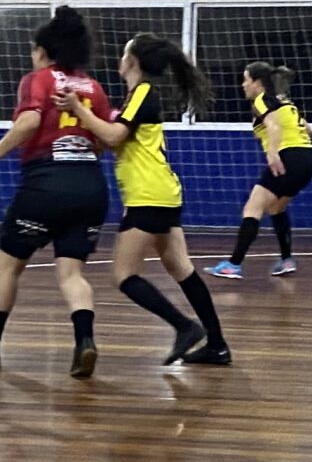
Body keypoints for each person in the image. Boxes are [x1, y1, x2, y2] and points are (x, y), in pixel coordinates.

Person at [0, 6, 112, 378]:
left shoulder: (38, 79)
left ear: (43, 51)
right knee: (72, 273)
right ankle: (84, 341)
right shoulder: (94, 87)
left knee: (7, 266)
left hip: (46, 183)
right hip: (90, 186)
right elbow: (105, 140)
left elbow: (29, 121)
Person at [56, 33, 231, 365]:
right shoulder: (136, 98)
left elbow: (113, 135)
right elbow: (113, 140)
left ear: (132, 61)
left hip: (149, 195)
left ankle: (185, 328)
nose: (119, 60)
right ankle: (218, 345)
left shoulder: (143, 92)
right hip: (162, 193)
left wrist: (77, 108)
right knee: (182, 269)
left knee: (123, 275)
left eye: (124, 54)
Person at [206, 62, 312, 279]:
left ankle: (233, 265)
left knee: (252, 208)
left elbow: (273, 126)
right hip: (308, 159)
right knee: (276, 207)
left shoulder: (261, 100)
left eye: (246, 79)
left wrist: (273, 153)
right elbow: (308, 130)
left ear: (257, 83)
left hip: (288, 157)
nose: (243, 84)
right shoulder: (284, 102)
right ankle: (286, 260)